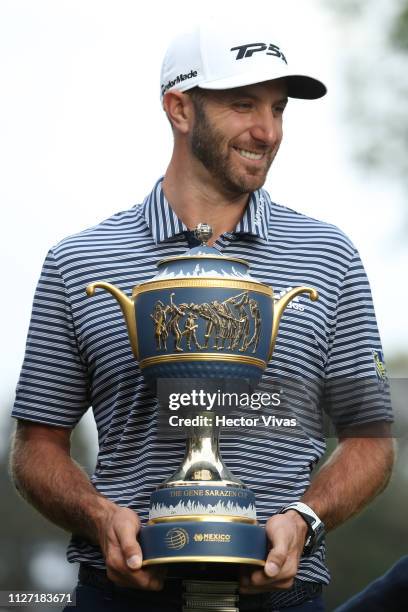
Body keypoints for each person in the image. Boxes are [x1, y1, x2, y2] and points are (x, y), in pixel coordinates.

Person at [9, 19, 394, 612]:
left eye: (278, 108)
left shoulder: (328, 256)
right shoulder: (79, 261)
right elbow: (37, 444)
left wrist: (305, 519)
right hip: (120, 595)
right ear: (179, 109)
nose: (267, 131)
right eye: (243, 105)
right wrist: (99, 517)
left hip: (283, 597)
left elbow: (370, 440)